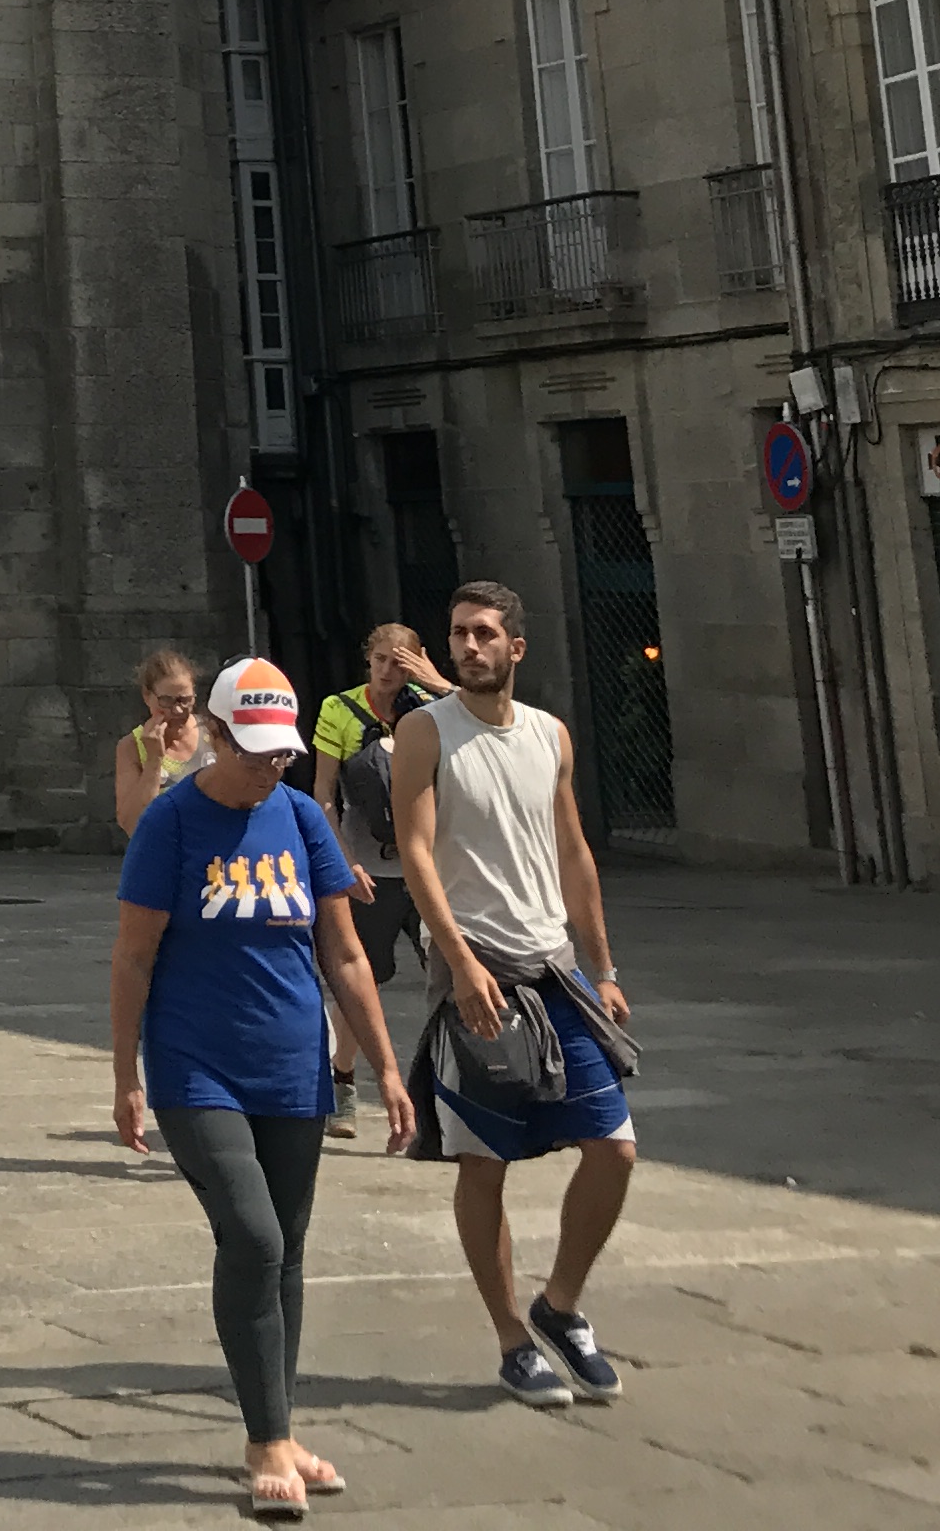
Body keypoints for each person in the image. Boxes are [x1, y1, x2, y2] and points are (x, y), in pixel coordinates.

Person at [109, 656, 415, 1525]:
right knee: (251, 1234)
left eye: (282, 752)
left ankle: (277, 1427)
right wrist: (125, 1076)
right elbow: (133, 957)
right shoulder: (171, 823)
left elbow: (344, 955)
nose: (272, 766)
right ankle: (266, 1441)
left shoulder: (301, 818)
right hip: (196, 1066)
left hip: (293, 1065)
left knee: (288, 1248)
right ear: (215, 734)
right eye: (256, 751)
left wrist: (386, 1069)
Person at [391, 579, 637, 1409]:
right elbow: (415, 850)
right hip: (476, 968)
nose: (468, 646)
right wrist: (459, 962)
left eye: (484, 634)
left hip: (555, 968)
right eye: (458, 632)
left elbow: (573, 852)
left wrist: (603, 969)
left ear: (515, 648)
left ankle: (559, 1306)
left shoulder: (549, 735)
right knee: (483, 1161)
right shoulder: (426, 732)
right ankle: (510, 1339)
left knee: (614, 1148)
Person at [310, 619, 452, 1135]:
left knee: (452, 976)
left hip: (431, 867)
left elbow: (488, 729)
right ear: (367, 660)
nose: (389, 671)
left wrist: (439, 685)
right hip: (369, 869)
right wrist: (343, 861)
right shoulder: (338, 709)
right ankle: (343, 1077)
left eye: (401, 662)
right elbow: (323, 794)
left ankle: (452, 1091)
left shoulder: (436, 707)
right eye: (380, 661)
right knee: (361, 978)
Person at [113, 646, 207, 842]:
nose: (178, 710)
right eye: (166, 701)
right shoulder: (131, 747)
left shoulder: (213, 733)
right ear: (147, 696)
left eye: (185, 700)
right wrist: (153, 761)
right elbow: (132, 825)